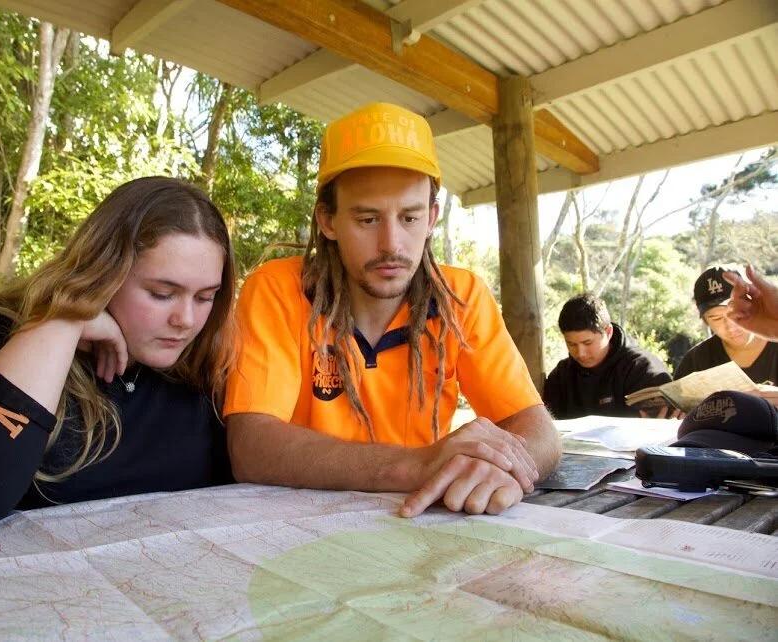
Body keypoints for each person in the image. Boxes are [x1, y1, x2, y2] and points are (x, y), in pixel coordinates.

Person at [223, 102, 560, 519]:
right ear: (328, 220)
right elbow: (251, 446)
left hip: (421, 524)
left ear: (432, 216)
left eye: (410, 217)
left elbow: (537, 429)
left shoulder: (461, 297)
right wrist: (420, 464)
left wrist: (505, 470)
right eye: (367, 219)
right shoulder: (278, 289)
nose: (392, 245)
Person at [0, 177, 237, 529]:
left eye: (205, 297)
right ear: (103, 271)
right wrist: (63, 323)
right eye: (162, 294)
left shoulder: (203, 366)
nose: (186, 320)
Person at [543, 293, 673, 419]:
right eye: (571, 344)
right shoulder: (561, 376)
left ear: (609, 332)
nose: (580, 353)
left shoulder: (642, 370)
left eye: (587, 343)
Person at [676, 266, 778, 384]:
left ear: (754, 304)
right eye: (717, 318)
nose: (731, 326)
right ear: (705, 321)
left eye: (737, 314)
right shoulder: (696, 361)